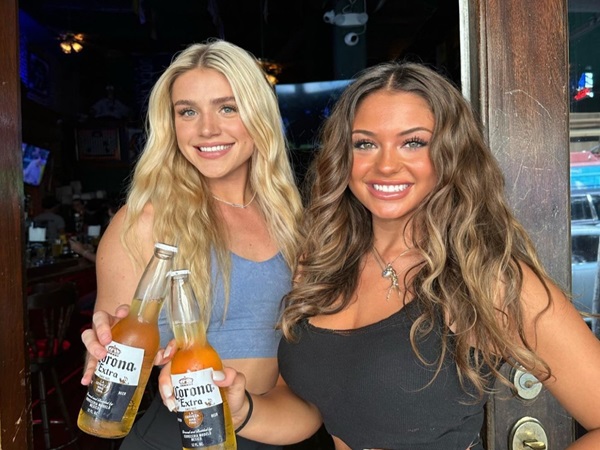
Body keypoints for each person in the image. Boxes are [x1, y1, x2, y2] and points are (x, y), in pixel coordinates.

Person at [163, 61, 600, 449]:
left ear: (451, 154)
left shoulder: (490, 279)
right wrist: (241, 410)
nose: (386, 165)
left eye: (413, 142)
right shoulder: (321, 261)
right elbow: (309, 410)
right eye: (365, 144)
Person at [80, 39, 303, 450]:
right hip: (177, 435)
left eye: (227, 108)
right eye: (187, 112)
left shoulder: (295, 223)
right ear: (171, 125)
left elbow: (312, 372)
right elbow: (111, 365)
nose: (206, 129)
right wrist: (102, 350)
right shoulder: (143, 222)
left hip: (271, 427)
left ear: (258, 115)